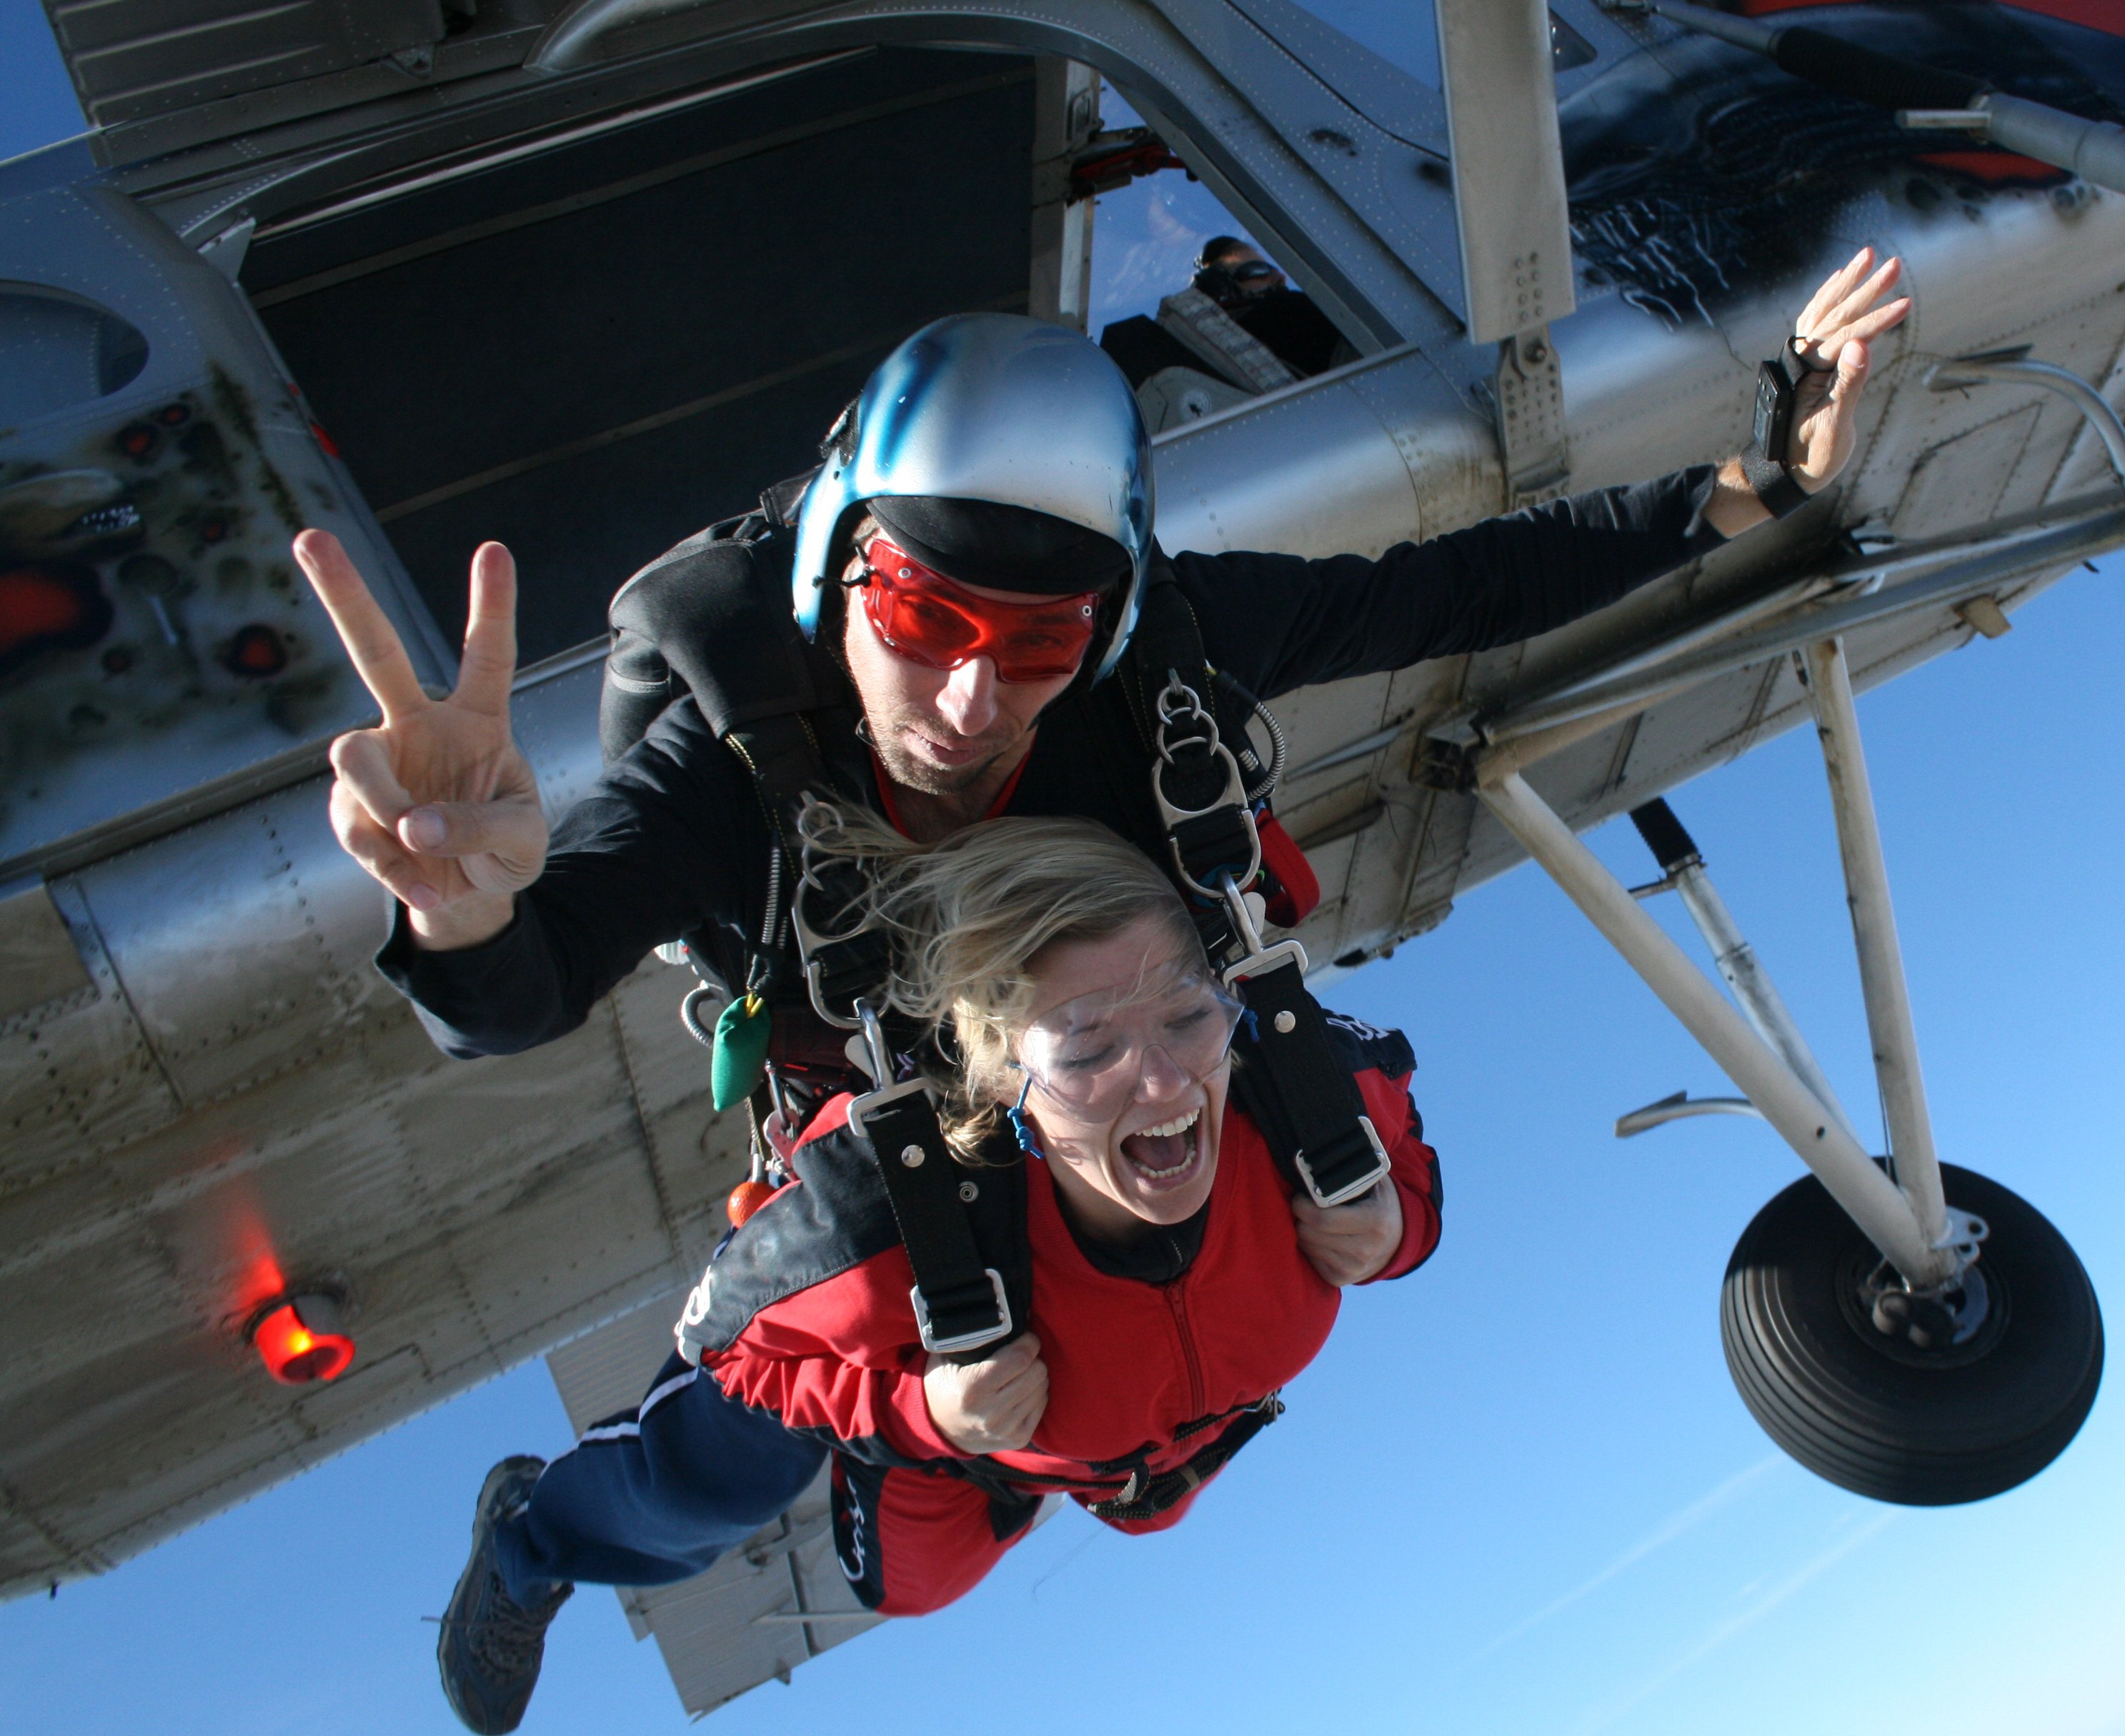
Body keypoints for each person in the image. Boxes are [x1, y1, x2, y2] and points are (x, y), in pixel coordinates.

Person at [294, 247, 1909, 1731]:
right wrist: (463, 913)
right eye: (922, 616)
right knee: (734, 1468)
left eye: (1037, 642)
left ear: (1108, 621)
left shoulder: (1168, 651)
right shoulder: (729, 772)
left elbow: (1451, 587)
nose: (965, 694)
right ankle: (538, 1542)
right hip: (895, 1098)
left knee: (1249, 1243)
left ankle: (1008, 1459)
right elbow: (520, 989)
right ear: (842, 567)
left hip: (1129, 1049)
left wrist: (1755, 489)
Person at [449, 814, 1441, 1725]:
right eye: (1089, 1047)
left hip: (1130, 1440)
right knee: (743, 1491)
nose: (1167, 1080)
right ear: (1006, 1077)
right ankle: (527, 1541)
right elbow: (728, 1349)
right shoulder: (889, 1220)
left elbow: (1406, 1131)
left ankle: (1062, 1456)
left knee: (1123, 1514)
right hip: (960, 1416)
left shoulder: (1312, 1098)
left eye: (1187, 1016)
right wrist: (926, 1411)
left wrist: (1401, 1226)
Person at [1189, 235, 1351, 379]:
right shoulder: (1288, 309)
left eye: (1275, 270)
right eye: (1259, 270)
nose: (1280, 277)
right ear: (1221, 287)